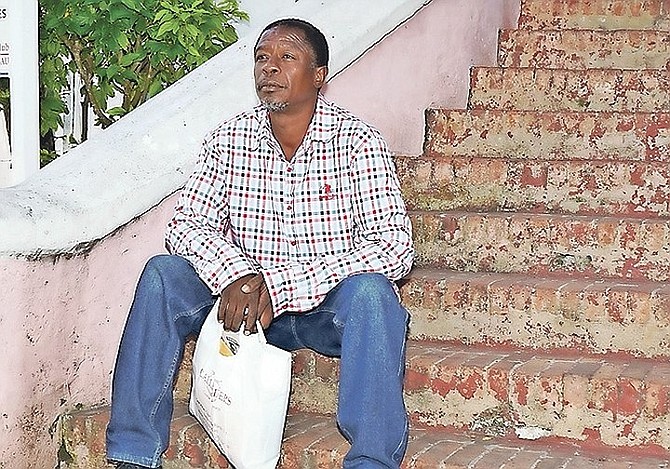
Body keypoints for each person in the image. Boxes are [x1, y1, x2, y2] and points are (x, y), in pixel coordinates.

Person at [105, 17, 414, 469]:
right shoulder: (230, 138)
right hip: (241, 308)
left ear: (319, 75)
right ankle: (132, 451)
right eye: (262, 58)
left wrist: (279, 285)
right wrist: (240, 274)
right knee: (162, 274)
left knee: (374, 293)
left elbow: (393, 246)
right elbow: (186, 225)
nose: (270, 68)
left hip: (320, 308)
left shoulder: (357, 141)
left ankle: (372, 460)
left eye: (287, 57)